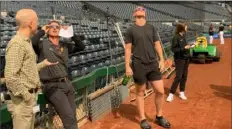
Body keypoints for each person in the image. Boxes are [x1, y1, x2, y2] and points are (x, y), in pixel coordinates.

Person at [4, 9, 57, 129]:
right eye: (36, 21)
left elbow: (27, 70)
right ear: (30, 23)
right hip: (23, 102)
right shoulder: (17, 44)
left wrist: (43, 63)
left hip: (28, 100)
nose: (38, 24)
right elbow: (11, 77)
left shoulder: (26, 42)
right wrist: (27, 97)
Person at [31, 20, 85, 129]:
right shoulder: (42, 44)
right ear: (47, 29)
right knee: (69, 118)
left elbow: (81, 46)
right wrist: (42, 31)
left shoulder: (65, 45)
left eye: (57, 27)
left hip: (67, 83)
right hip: (52, 85)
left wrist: (71, 33)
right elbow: (32, 42)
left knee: (72, 116)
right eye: (51, 26)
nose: (55, 28)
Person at [124, 6, 171, 129]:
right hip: (138, 64)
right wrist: (127, 66)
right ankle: (143, 119)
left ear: (145, 14)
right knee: (140, 92)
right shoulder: (130, 30)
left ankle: (159, 116)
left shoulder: (151, 28)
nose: (140, 12)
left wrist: (161, 59)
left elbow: (157, 44)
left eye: (142, 11)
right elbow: (128, 49)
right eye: (138, 11)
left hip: (152, 63)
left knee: (160, 91)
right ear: (134, 15)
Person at [166, 23, 190, 102]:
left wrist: (189, 46)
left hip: (185, 58)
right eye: (186, 27)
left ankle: (182, 92)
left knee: (184, 76)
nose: (187, 28)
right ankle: (171, 94)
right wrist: (184, 48)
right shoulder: (176, 37)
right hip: (179, 59)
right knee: (178, 77)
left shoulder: (183, 36)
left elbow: (184, 47)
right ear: (182, 28)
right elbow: (174, 49)